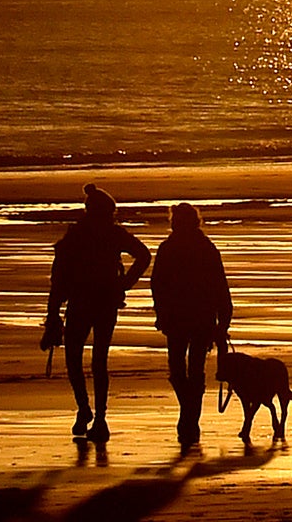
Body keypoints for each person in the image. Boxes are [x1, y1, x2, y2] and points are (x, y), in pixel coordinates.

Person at [44, 183, 151, 443]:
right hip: (104, 303)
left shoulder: (76, 235)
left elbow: (58, 279)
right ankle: (98, 417)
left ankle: (85, 410)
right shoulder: (112, 234)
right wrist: (124, 284)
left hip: (82, 303)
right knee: (98, 362)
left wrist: (53, 312)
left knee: (75, 360)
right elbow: (144, 256)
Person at [149, 202, 232, 445]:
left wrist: (223, 320)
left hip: (186, 318)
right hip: (193, 317)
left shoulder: (177, 247)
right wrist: (223, 320)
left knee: (182, 369)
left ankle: (189, 416)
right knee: (187, 370)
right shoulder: (200, 247)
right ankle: (189, 413)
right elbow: (220, 285)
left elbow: (158, 285)